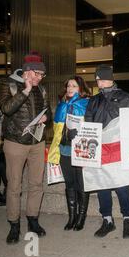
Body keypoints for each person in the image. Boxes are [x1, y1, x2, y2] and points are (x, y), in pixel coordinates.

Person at [0, 52, 52, 244]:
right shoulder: (8, 84)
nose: (39, 78)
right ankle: (14, 224)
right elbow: (6, 109)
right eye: (37, 74)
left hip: (37, 142)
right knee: (14, 185)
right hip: (15, 143)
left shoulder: (42, 90)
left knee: (36, 184)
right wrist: (26, 91)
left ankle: (33, 220)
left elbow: (48, 112)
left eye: (41, 75)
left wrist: (47, 118)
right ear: (27, 72)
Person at [84, 65, 129, 239]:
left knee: (122, 185)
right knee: (102, 186)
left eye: (103, 78)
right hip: (99, 148)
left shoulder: (125, 97)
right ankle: (107, 220)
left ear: (112, 79)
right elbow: (88, 122)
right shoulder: (93, 100)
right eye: (98, 79)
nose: (100, 81)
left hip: (118, 148)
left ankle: (127, 218)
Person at [47, 76, 90, 231]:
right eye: (68, 86)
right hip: (64, 148)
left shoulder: (86, 103)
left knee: (81, 184)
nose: (70, 88)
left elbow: (92, 128)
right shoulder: (61, 105)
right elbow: (57, 128)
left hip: (80, 149)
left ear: (81, 88)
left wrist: (78, 133)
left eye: (74, 86)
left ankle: (81, 217)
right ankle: (71, 216)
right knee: (70, 183)